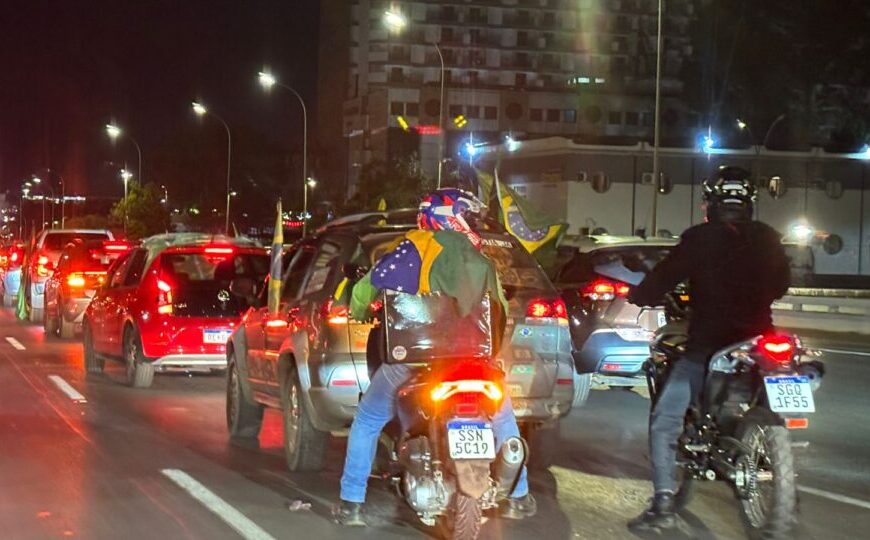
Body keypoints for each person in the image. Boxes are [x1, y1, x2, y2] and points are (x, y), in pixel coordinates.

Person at [334, 188, 536, 526]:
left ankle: (351, 503)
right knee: (502, 417)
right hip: (473, 363)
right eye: (467, 217)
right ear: (453, 218)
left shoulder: (413, 248)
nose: (471, 223)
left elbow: (364, 291)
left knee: (368, 419)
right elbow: (499, 311)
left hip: (414, 362)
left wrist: (358, 309)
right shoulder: (482, 260)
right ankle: (519, 495)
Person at [627, 166, 791, 531]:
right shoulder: (768, 237)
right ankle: (779, 478)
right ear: (749, 202)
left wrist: (639, 294)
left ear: (711, 202)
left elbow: (662, 279)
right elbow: (782, 285)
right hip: (758, 343)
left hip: (709, 344)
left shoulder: (699, 238)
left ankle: (663, 504)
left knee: (666, 419)